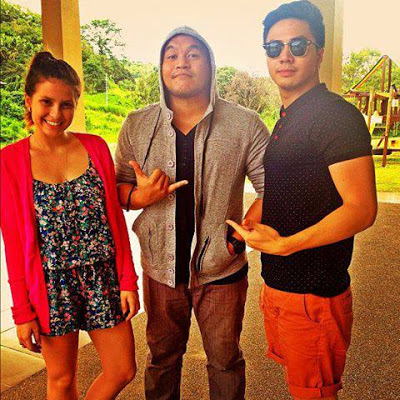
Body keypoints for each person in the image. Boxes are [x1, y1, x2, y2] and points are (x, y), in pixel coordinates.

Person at [227, 1, 377, 399]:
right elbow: (284, 188)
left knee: (315, 393)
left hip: (314, 294)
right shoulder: (289, 116)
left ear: (320, 52)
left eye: (298, 45)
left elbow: (362, 209)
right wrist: (250, 225)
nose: (285, 56)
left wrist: (287, 244)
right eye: (274, 47)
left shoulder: (335, 117)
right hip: (281, 287)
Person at [115, 26, 269, 399]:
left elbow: (273, 188)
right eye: (171, 55)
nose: (181, 61)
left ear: (211, 64)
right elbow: (119, 187)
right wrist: (141, 197)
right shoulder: (137, 124)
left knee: (225, 360)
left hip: (222, 270)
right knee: (162, 359)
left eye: (193, 54)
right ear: (161, 68)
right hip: (160, 269)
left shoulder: (245, 124)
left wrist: (239, 236)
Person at [0, 52, 139, 400]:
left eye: (67, 104)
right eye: (46, 102)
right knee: (61, 380)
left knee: (122, 369)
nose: (56, 114)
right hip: (51, 286)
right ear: (29, 101)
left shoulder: (95, 148)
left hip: (103, 276)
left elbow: (114, 220)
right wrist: (22, 311)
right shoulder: (9, 162)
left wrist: (128, 279)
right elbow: (14, 243)